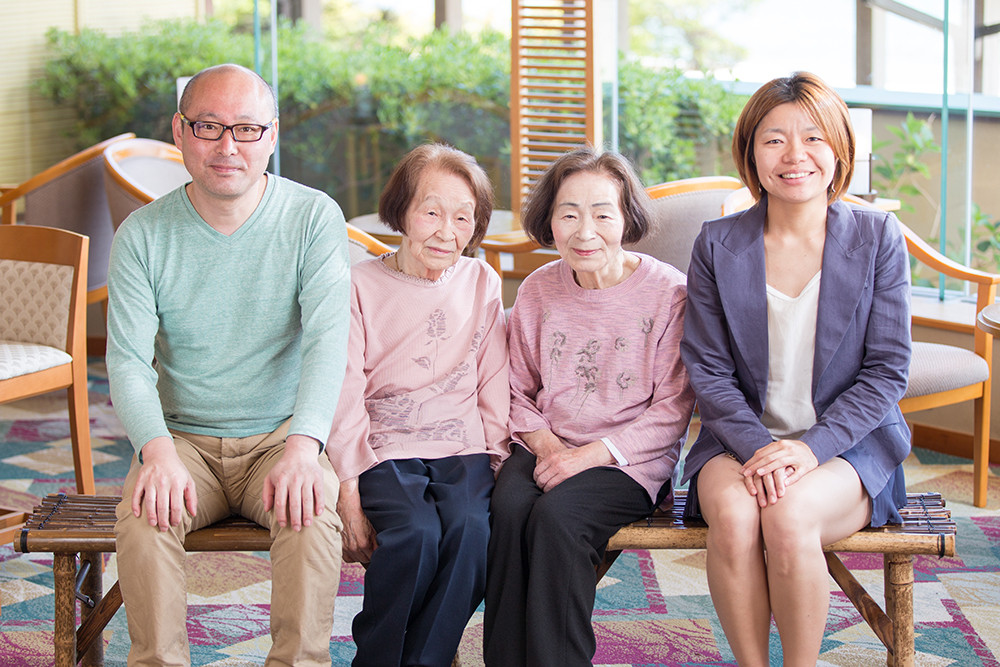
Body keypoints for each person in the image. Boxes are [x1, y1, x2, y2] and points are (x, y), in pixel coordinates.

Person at [107, 63, 350, 666]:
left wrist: (305, 446)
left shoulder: (312, 217)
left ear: (272, 135)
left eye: (246, 129)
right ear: (179, 131)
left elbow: (328, 342)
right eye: (208, 126)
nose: (227, 147)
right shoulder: (142, 234)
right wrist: (156, 452)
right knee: (143, 516)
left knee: (312, 512)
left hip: (280, 439)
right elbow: (129, 361)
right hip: (183, 442)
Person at [679, 71, 912, 667]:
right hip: (737, 442)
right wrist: (762, 449)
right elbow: (708, 370)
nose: (794, 155)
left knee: (787, 516)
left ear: (839, 150)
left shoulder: (878, 236)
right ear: (751, 154)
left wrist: (809, 450)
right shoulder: (717, 243)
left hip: (846, 448)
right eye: (774, 140)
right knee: (736, 520)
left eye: (813, 138)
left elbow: (886, 371)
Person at [483, 147, 696, 666]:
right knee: (508, 510)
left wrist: (587, 456)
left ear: (626, 218)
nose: (584, 232)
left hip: (628, 460)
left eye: (602, 215)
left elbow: (672, 411)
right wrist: (549, 447)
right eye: (569, 214)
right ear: (549, 220)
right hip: (544, 444)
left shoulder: (669, 293)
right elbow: (514, 388)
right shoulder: (537, 290)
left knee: (558, 519)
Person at [326, 143, 510, 667]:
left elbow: (493, 378)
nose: (446, 232)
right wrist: (348, 489)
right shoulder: (358, 284)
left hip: (462, 444)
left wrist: (500, 459)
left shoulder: (481, 281)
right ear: (402, 211)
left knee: (474, 533)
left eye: (463, 218)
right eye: (432, 212)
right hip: (383, 447)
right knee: (415, 535)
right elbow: (343, 389)